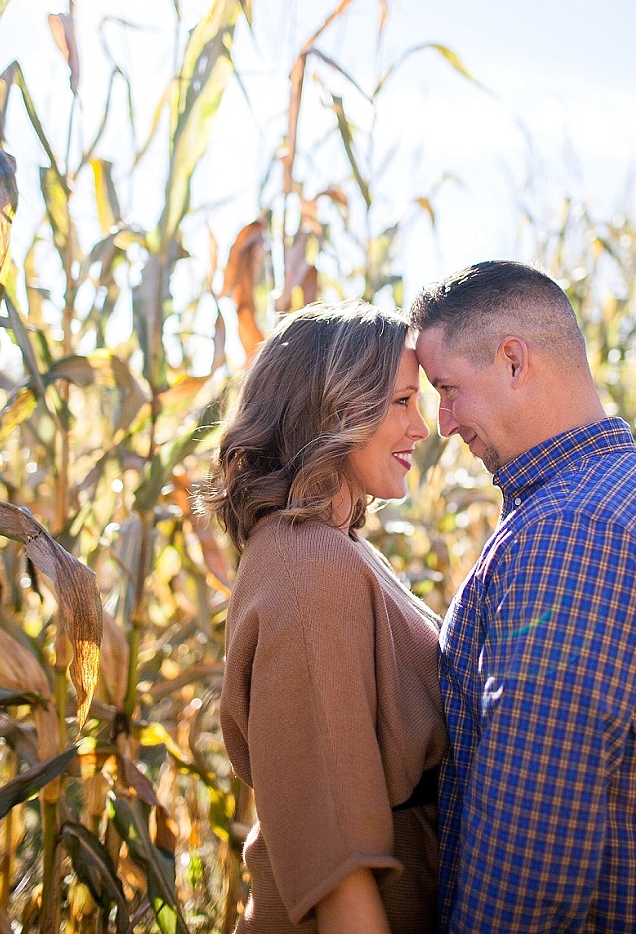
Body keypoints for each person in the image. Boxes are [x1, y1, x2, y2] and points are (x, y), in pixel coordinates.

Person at [409, 260, 636, 934]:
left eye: (448, 389)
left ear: (513, 361)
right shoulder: (606, 494)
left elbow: (530, 853)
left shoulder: (572, 532)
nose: (443, 423)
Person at [202, 300, 448, 934]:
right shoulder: (307, 563)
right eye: (401, 402)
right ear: (337, 409)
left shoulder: (323, 546)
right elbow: (339, 864)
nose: (422, 427)